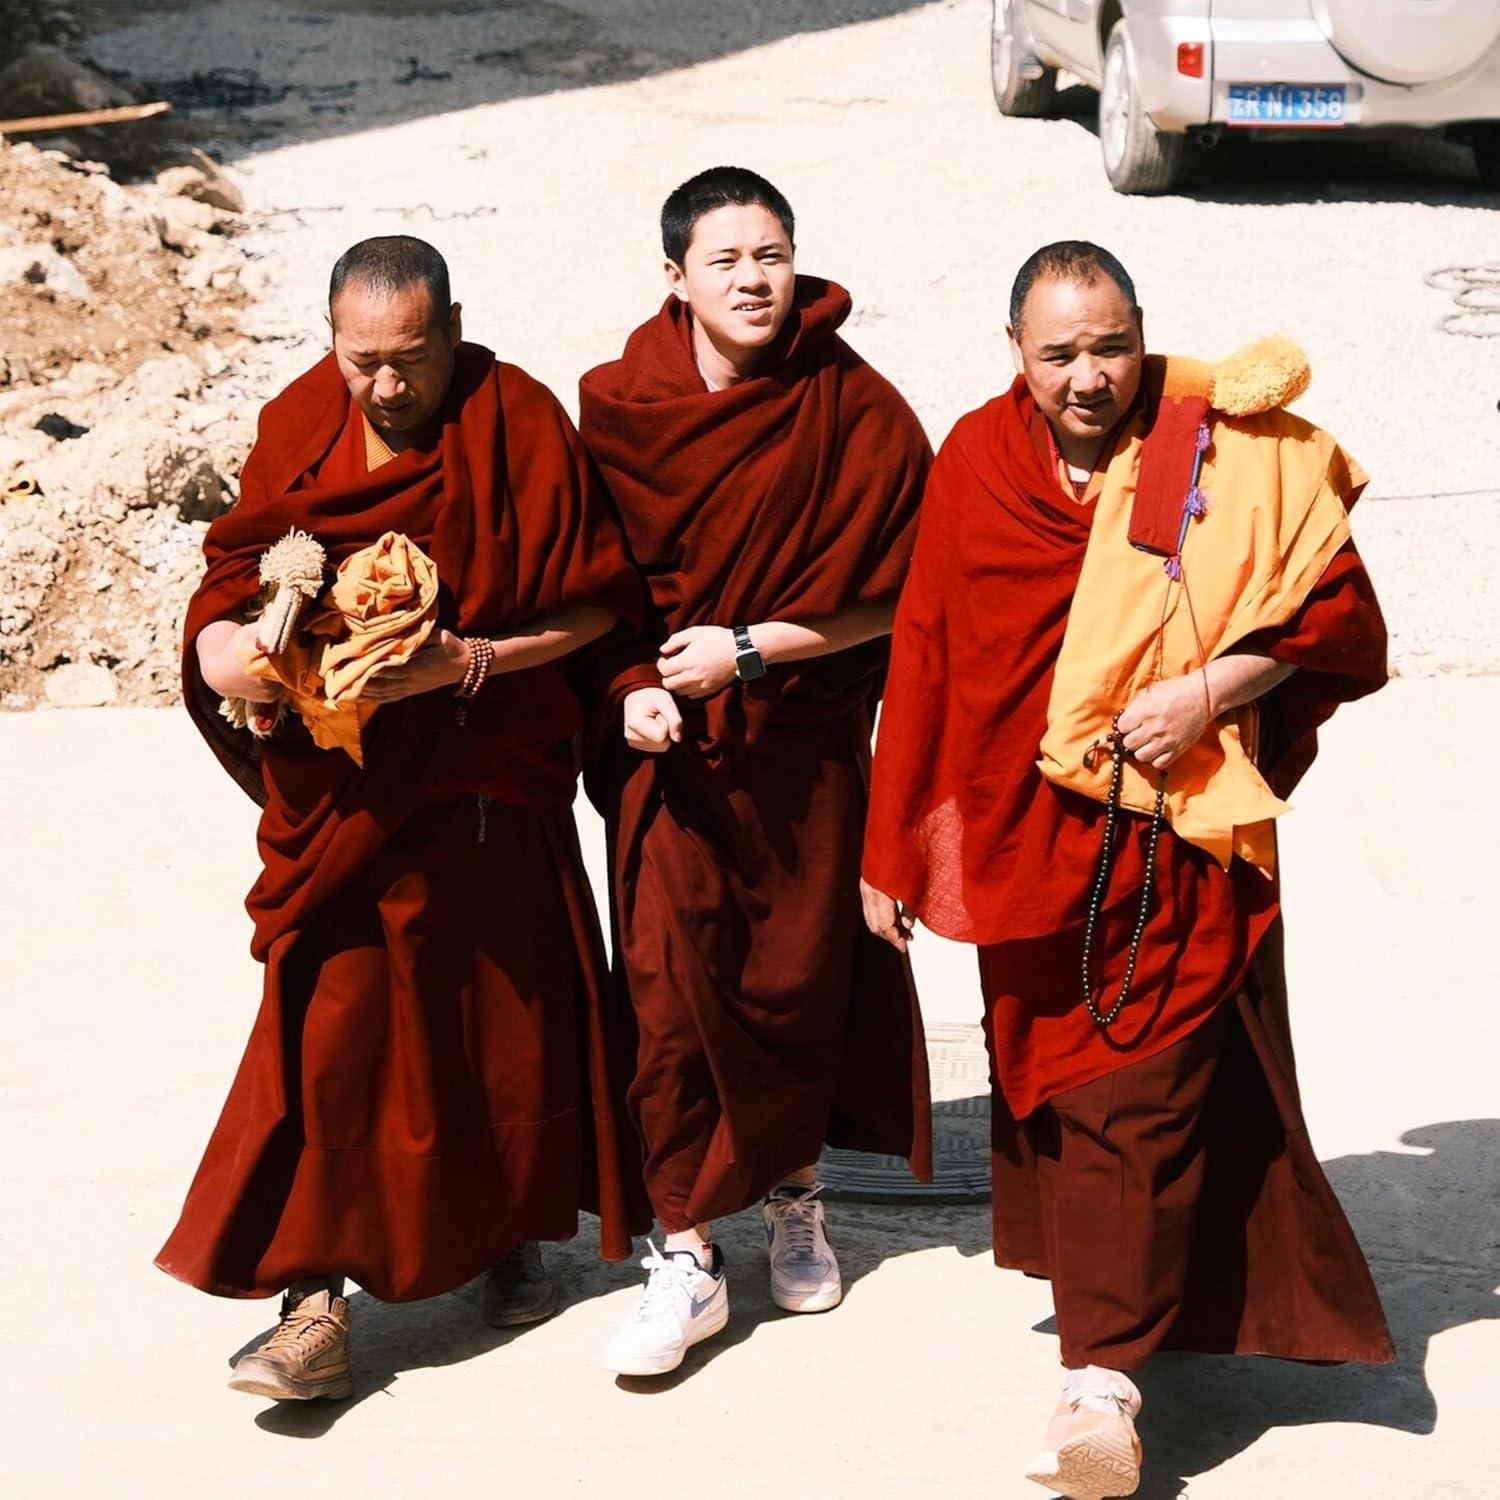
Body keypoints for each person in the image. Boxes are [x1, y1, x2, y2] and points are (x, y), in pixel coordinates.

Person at [861, 241, 1393, 1498]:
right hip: (1022, 831)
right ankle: (1148, 1314)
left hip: (1177, 827)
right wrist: (892, 848)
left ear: (1141, 333)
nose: (1090, 377)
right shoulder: (979, 464)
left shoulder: (1225, 449)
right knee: (1058, 1076)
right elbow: (929, 652)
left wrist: (1214, 688)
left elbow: (1340, 615)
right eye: (1060, 355)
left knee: (1138, 1084)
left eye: (1110, 347)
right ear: (1017, 357)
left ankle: (1101, 1382)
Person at [158, 234, 649, 1401]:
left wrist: (465, 663)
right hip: (345, 804)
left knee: (496, 1033)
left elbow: (594, 608)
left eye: (410, 360)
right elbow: (228, 592)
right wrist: (240, 664)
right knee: (330, 1037)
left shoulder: (515, 417)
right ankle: (313, 1299)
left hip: (482, 791)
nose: (385, 387)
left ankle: (505, 1242)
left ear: (455, 328)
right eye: (362, 360)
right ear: (332, 343)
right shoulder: (298, 426)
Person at [577, 166, 934, 1377]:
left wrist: (755, 649)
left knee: (793, 987)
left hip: (799, 749)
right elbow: (591, 592)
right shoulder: (621, 408)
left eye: (772, 254)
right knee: (671, 999)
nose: (753, 279)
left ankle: (794, 1194)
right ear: (674, 278)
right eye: (725, 260)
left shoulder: (857, 408)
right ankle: (683, 1251)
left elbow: (903, 598)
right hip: (668, 761)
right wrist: (630, 689)